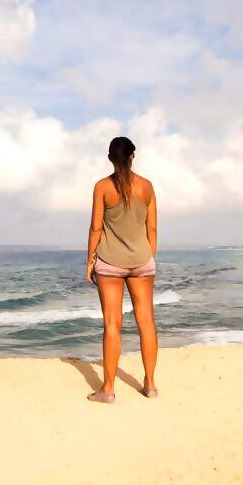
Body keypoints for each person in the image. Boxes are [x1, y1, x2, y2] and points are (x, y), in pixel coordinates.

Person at [84, 136, 159, 404]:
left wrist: (89, 260)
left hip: (110, 262)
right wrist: (146, 256)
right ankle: (149, 385)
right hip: (142, 261)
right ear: (132, 156)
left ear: (109, 158)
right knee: (146, 322)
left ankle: (108, 389)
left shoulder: (102, 187)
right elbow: (152, 229)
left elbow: (95, 228)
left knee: (112, 324)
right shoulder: (147, 187)